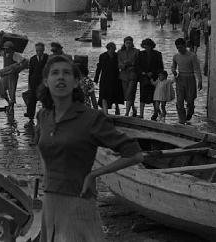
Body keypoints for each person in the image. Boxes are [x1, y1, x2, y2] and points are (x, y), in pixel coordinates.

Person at [35, 55, 143, 241]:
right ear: (46, 81)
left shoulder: (91, 118)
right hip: (50, 200)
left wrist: (94, 174)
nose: (60, 77)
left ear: (76, 82)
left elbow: (134, 153)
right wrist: (46, 176)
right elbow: (42, 146)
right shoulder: (43, 116)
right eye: (55, 73)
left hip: (78, 202)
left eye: (66, 73)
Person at [171, 38, 203, 124]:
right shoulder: (176, 56)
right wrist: (173, 71)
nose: (179, 49)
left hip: (190, 79)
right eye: (178, 48)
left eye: (181, 47)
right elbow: (173, 66)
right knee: (179, 101)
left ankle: (190, 111)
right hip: (180, 79)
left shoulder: (192, 56)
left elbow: (197, 69)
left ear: (185, 46)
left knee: (190, 100)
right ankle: (182, 119)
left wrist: (200, 80)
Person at [0, 41, 28, 120]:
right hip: (4, 75)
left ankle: (11, 108)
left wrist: (18, 69)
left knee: (12, 92)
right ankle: (9, 104)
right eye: (5, 49)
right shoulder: (4, 53)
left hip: (12, 76)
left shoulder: (16, 55)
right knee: (1, 90)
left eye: (7, 49)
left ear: (11, 49)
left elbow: (24, 62)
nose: (6, 50)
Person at [136, 38, 164, 119]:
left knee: (155, 97)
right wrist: (143, 73)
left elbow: (160, 67)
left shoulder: (157, 54)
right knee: (142, 96)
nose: (147, 47)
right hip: (144, 78)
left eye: (149, 46)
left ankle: (155, 113)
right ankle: (141, 114)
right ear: (143, 46)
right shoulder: (140, 54)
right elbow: (137, 66)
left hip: (154, 78)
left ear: (152, 46)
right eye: (145, 45)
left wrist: (154, 73)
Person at [94, 42, 124, 115]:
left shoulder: (117, 56)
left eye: (114, 49)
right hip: (105, 78)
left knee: (116, 94)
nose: (113, 51)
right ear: (108, 49)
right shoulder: (102, 56)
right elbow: (99, 68)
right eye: (111, 49)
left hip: (115, 78)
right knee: (104, 95)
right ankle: (105, 112)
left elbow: (120, 66)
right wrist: (96, 79)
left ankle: (117, 108)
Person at [25, 42, 48, 123]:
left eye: (40, 50)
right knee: (32, 100)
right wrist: (29, 85)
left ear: (43, 50)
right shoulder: (33, 59)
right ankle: (31, 117)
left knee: (45, 99)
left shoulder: (47, 58)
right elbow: (30, 73)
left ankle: (45, 116)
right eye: (37, 50)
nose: (39, 52)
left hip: (44, 83)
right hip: (34, 83)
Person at [117, 36, 139, 117]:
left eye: (130, 43)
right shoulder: (120, 52)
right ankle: (133, 108)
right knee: (127, 94)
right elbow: (119, 64)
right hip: (123, 75)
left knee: (129, 94)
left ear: (132, 43)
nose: (128, 44)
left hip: (133, 75)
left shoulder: (136, 51)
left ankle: (126, 113)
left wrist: (130, 63)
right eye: (127, 43)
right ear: (124, 43)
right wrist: (123, 65)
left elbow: (138, 63)